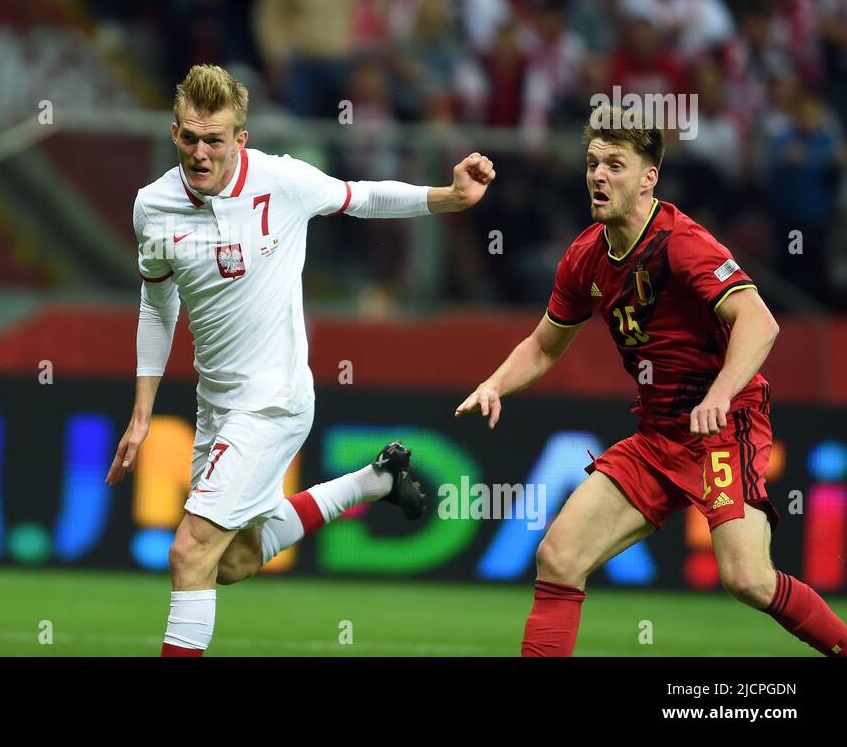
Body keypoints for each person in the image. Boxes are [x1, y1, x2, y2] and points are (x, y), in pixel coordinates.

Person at [107, 64, 495, 656]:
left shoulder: (280, 182)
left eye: (216, 140)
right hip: (216, 406)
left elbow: (361, 198)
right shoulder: (152, 207)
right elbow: (157, 309)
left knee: (189, 551)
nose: (201, 153)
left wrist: (450, 197)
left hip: (275, 400)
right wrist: (142, 415)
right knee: (232, 560)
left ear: (242, 139)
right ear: (174, 134)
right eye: (190, 138)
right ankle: (375, 481)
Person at [455, 105, 847, 657]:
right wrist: (495, 383)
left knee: (748, 579)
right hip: (659, 434)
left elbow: (761, 321)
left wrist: (719, 393)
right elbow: (545, 344)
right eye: (593, 162)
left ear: (647, 178)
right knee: (559, 556)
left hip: (722, 427)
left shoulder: (681, 243)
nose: (597, 175)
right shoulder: (585, 258)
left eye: (615, 164)